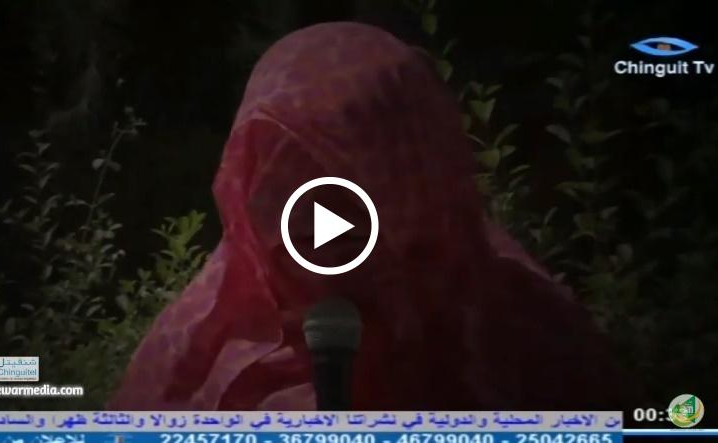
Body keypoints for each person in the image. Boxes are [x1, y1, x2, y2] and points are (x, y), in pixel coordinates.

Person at [107, 22, 633, 411]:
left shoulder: (533, 343)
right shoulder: (192, 356)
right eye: (283, 192)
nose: (315, 235)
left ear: (419, 182)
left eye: (344, 196)